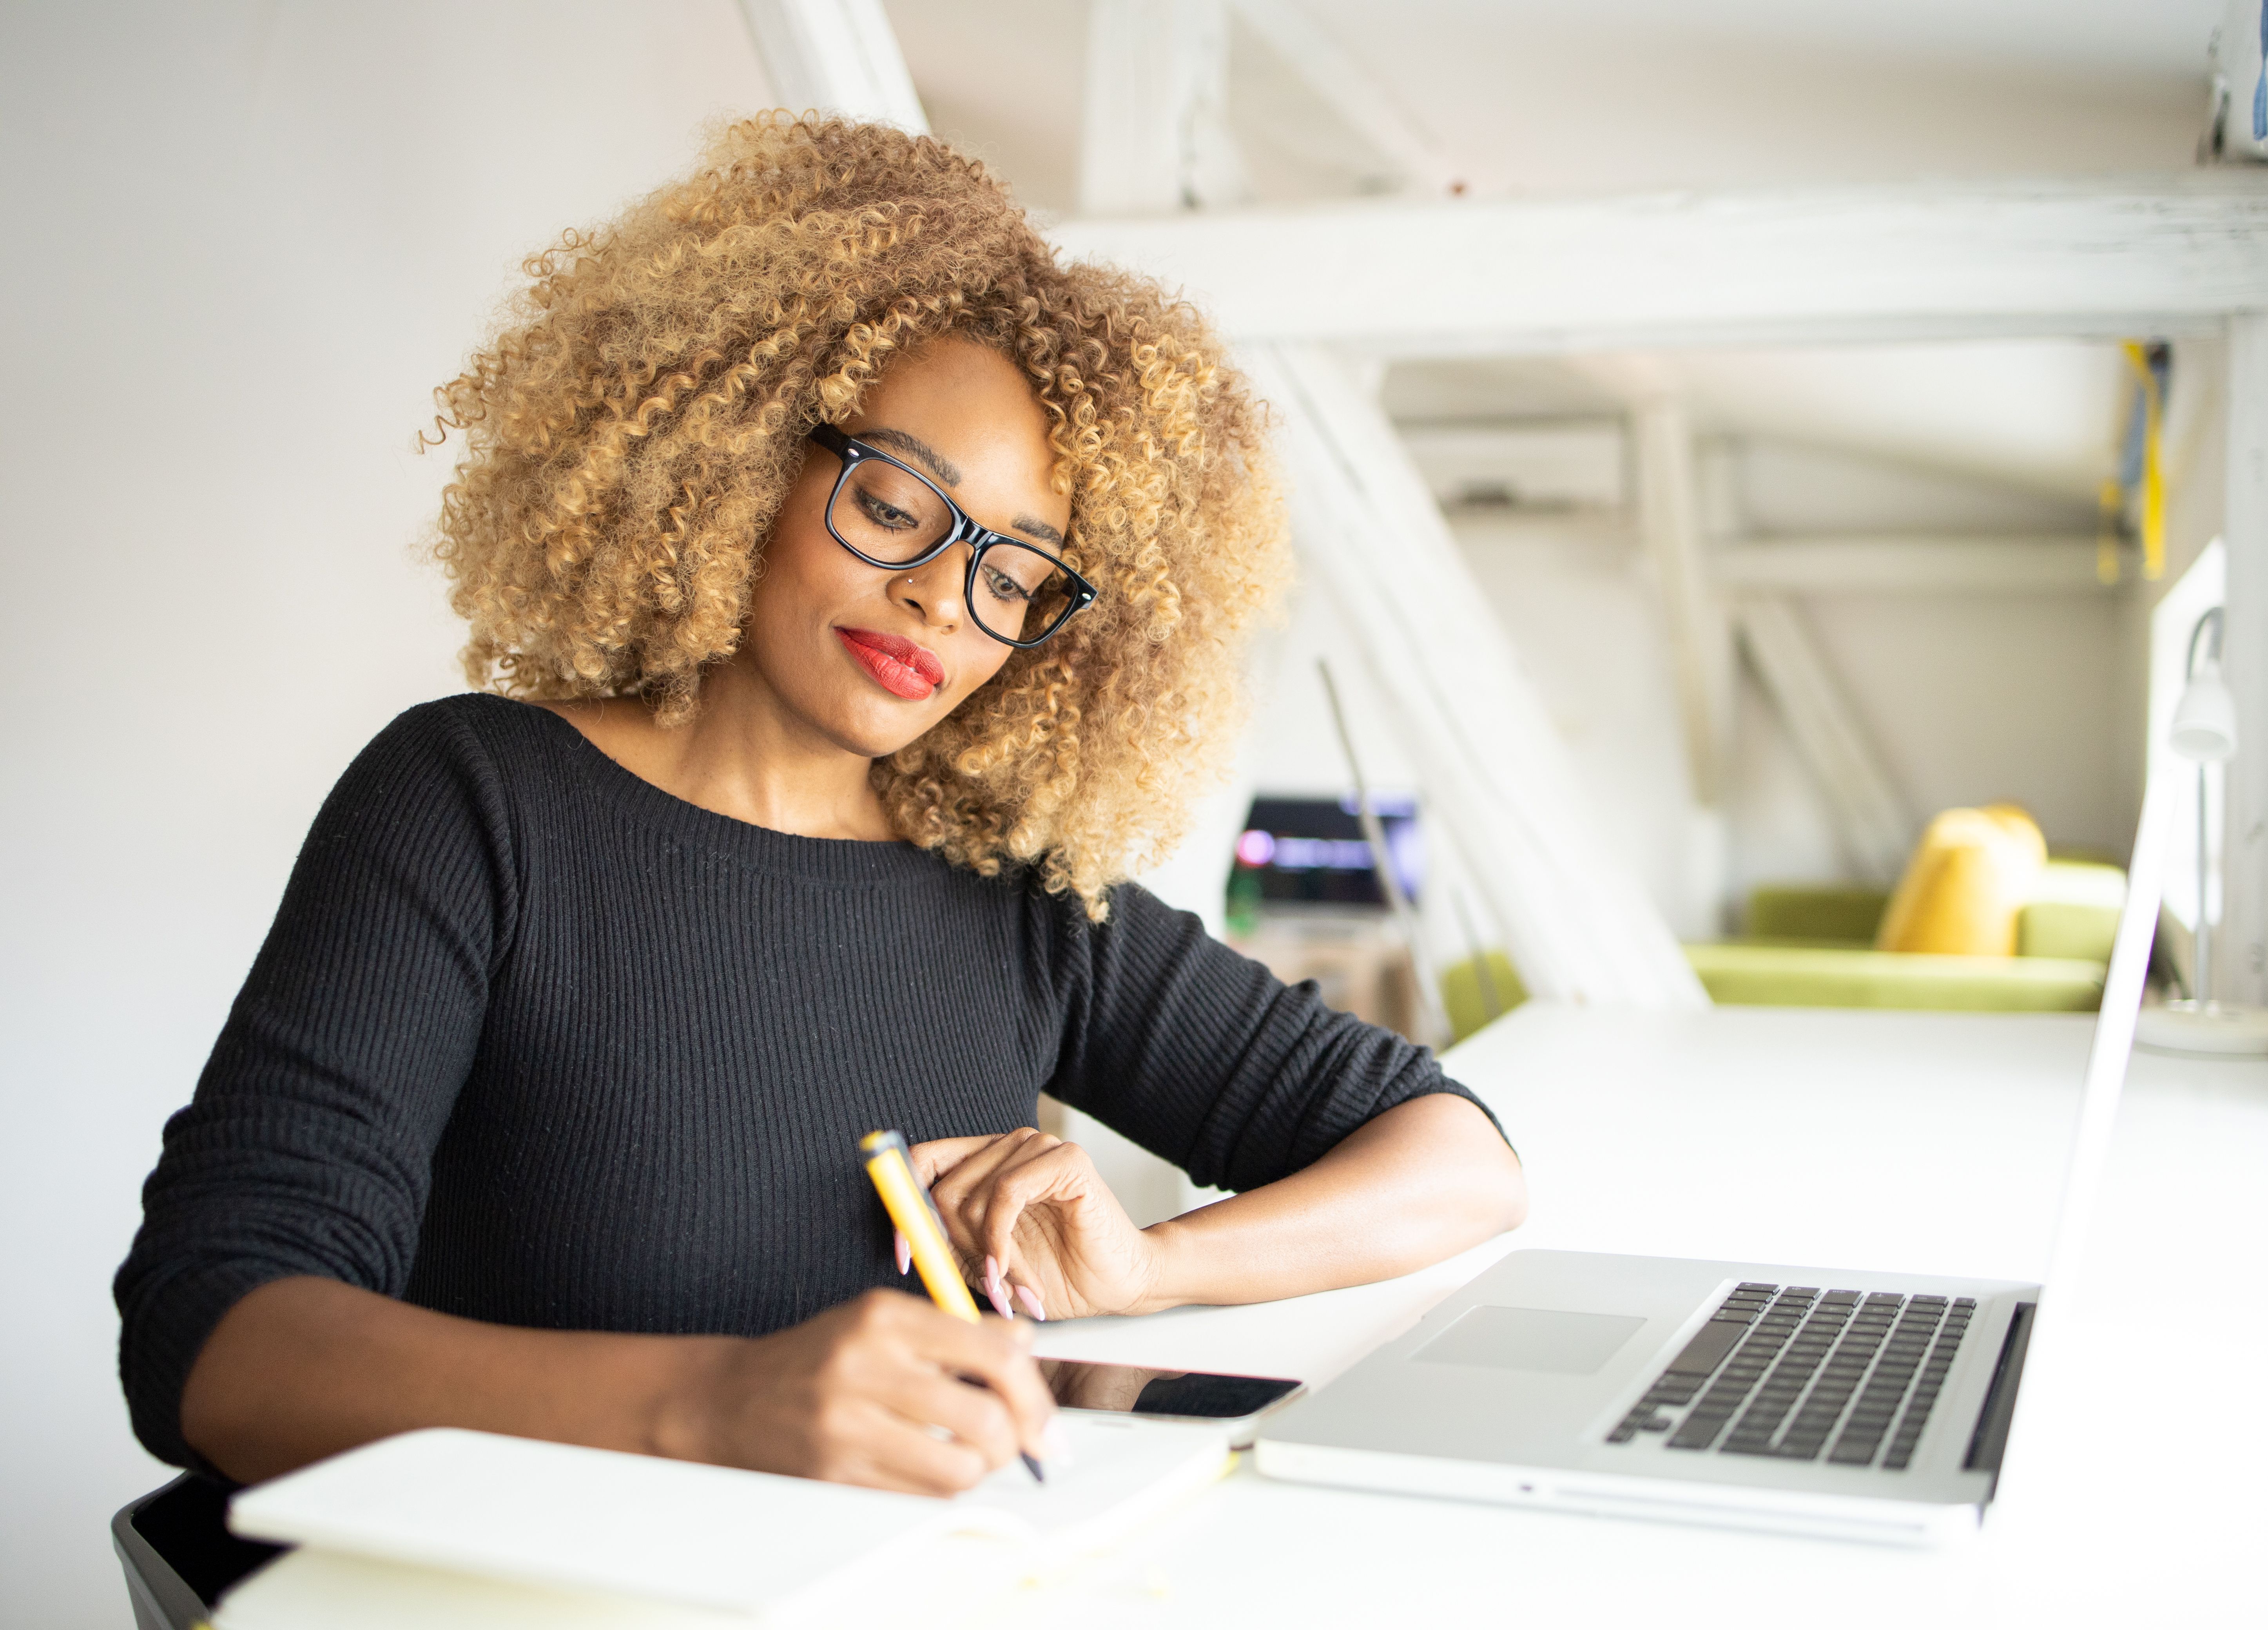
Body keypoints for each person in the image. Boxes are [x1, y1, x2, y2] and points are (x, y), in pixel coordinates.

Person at [116, 114, 1525, 1500]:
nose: (938, 596)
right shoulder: (479, 803)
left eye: (1016, 574)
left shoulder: (1012, 893)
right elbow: (216, 1342)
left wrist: (1154, 1266)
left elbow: (1457, 1158)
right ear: (741, 457)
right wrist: (715, 1401)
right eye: (898, 500)